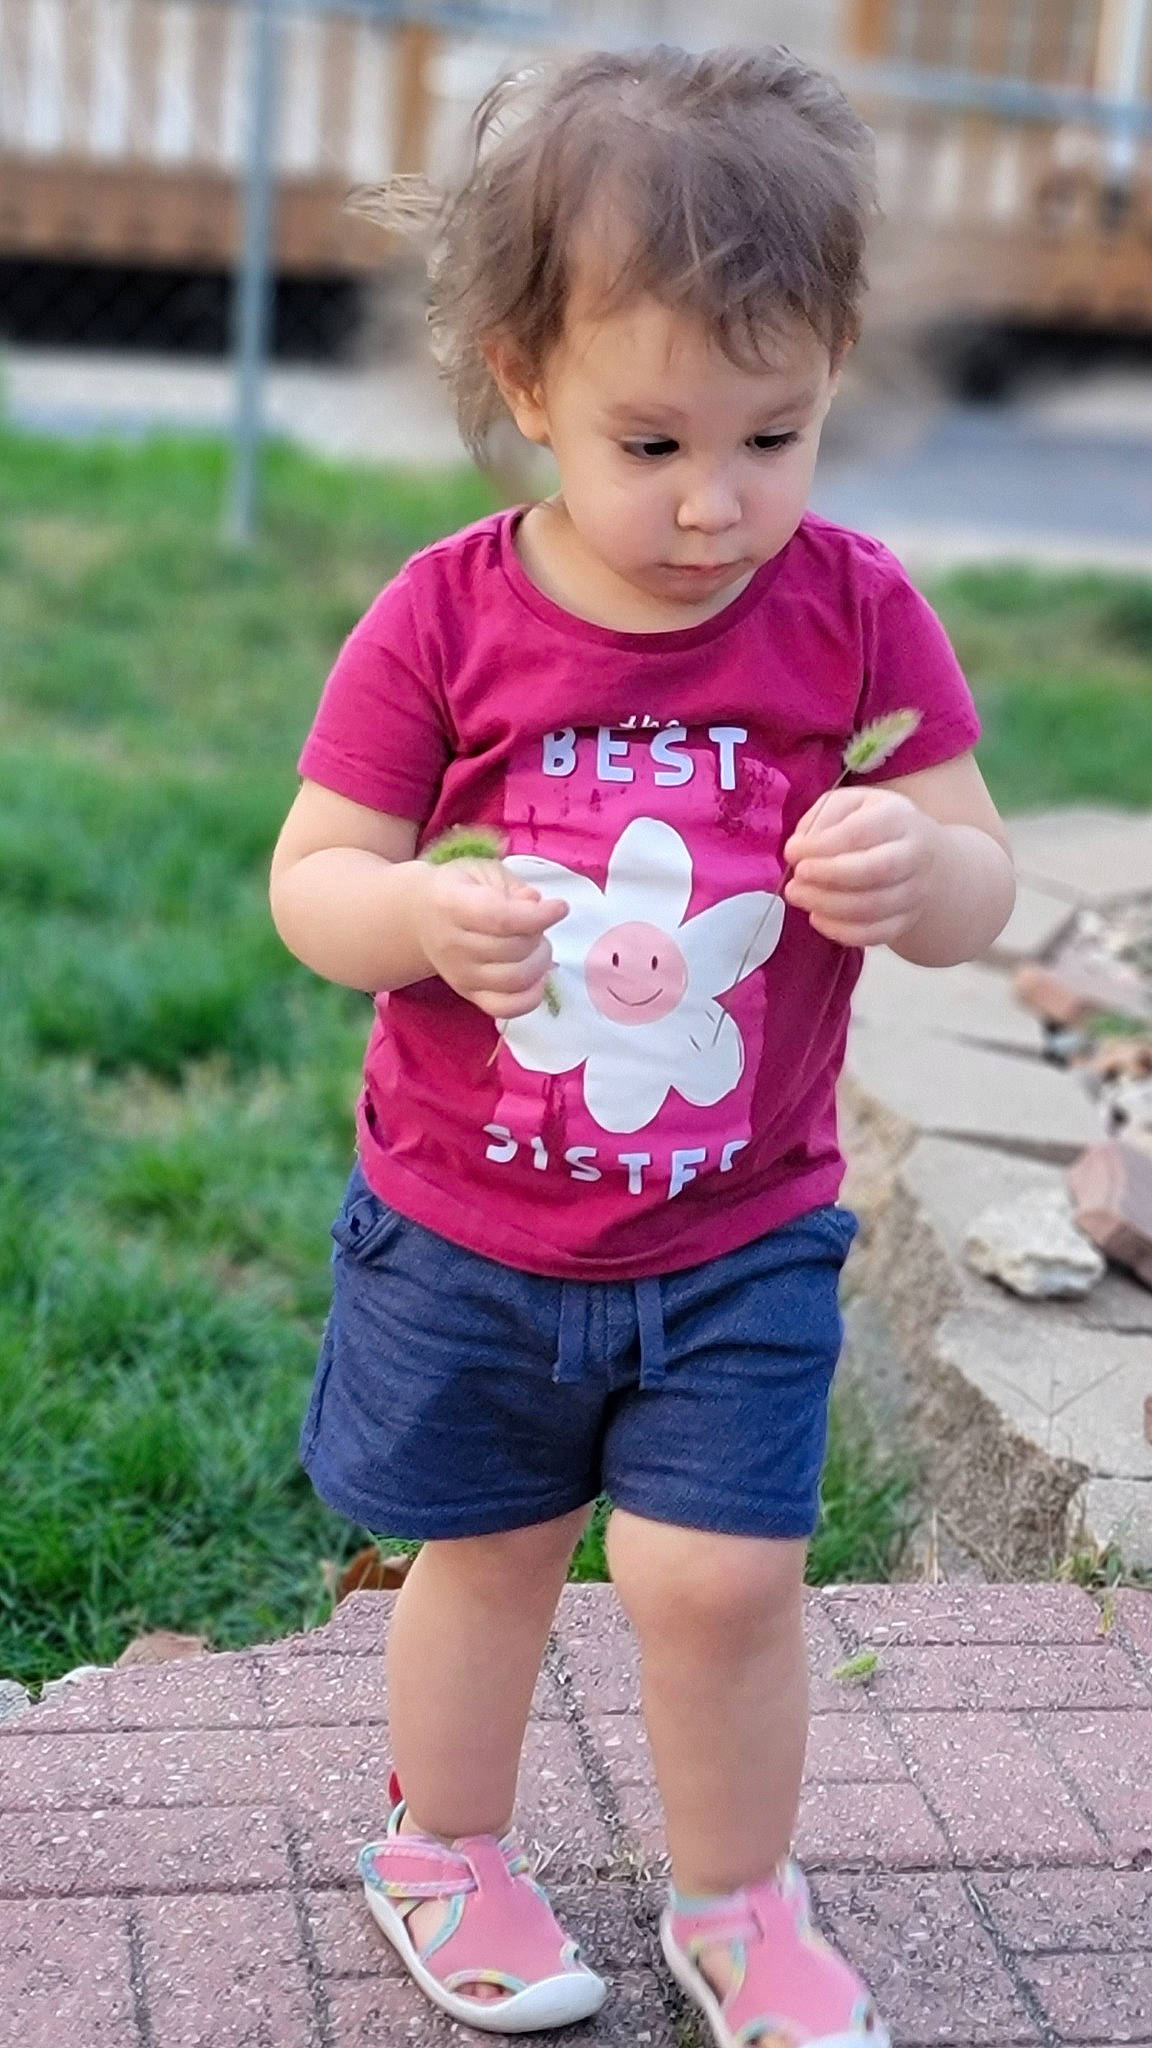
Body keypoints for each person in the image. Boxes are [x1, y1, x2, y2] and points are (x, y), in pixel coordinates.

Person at [269, 44, 1015, 2047]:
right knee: (489, 1555)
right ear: (528, 386)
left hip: (739, 1228)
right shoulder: (446, 618)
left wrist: (918, 869)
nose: (716, 501)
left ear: (835, 372)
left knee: (718, 1580)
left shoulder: (853, 614)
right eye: (654, 440)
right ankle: (444, 1847)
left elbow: (980, 878)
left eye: (775, 435)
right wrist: (418, 917)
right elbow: (312, 882)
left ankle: (739, 1903)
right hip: (470, 1229)